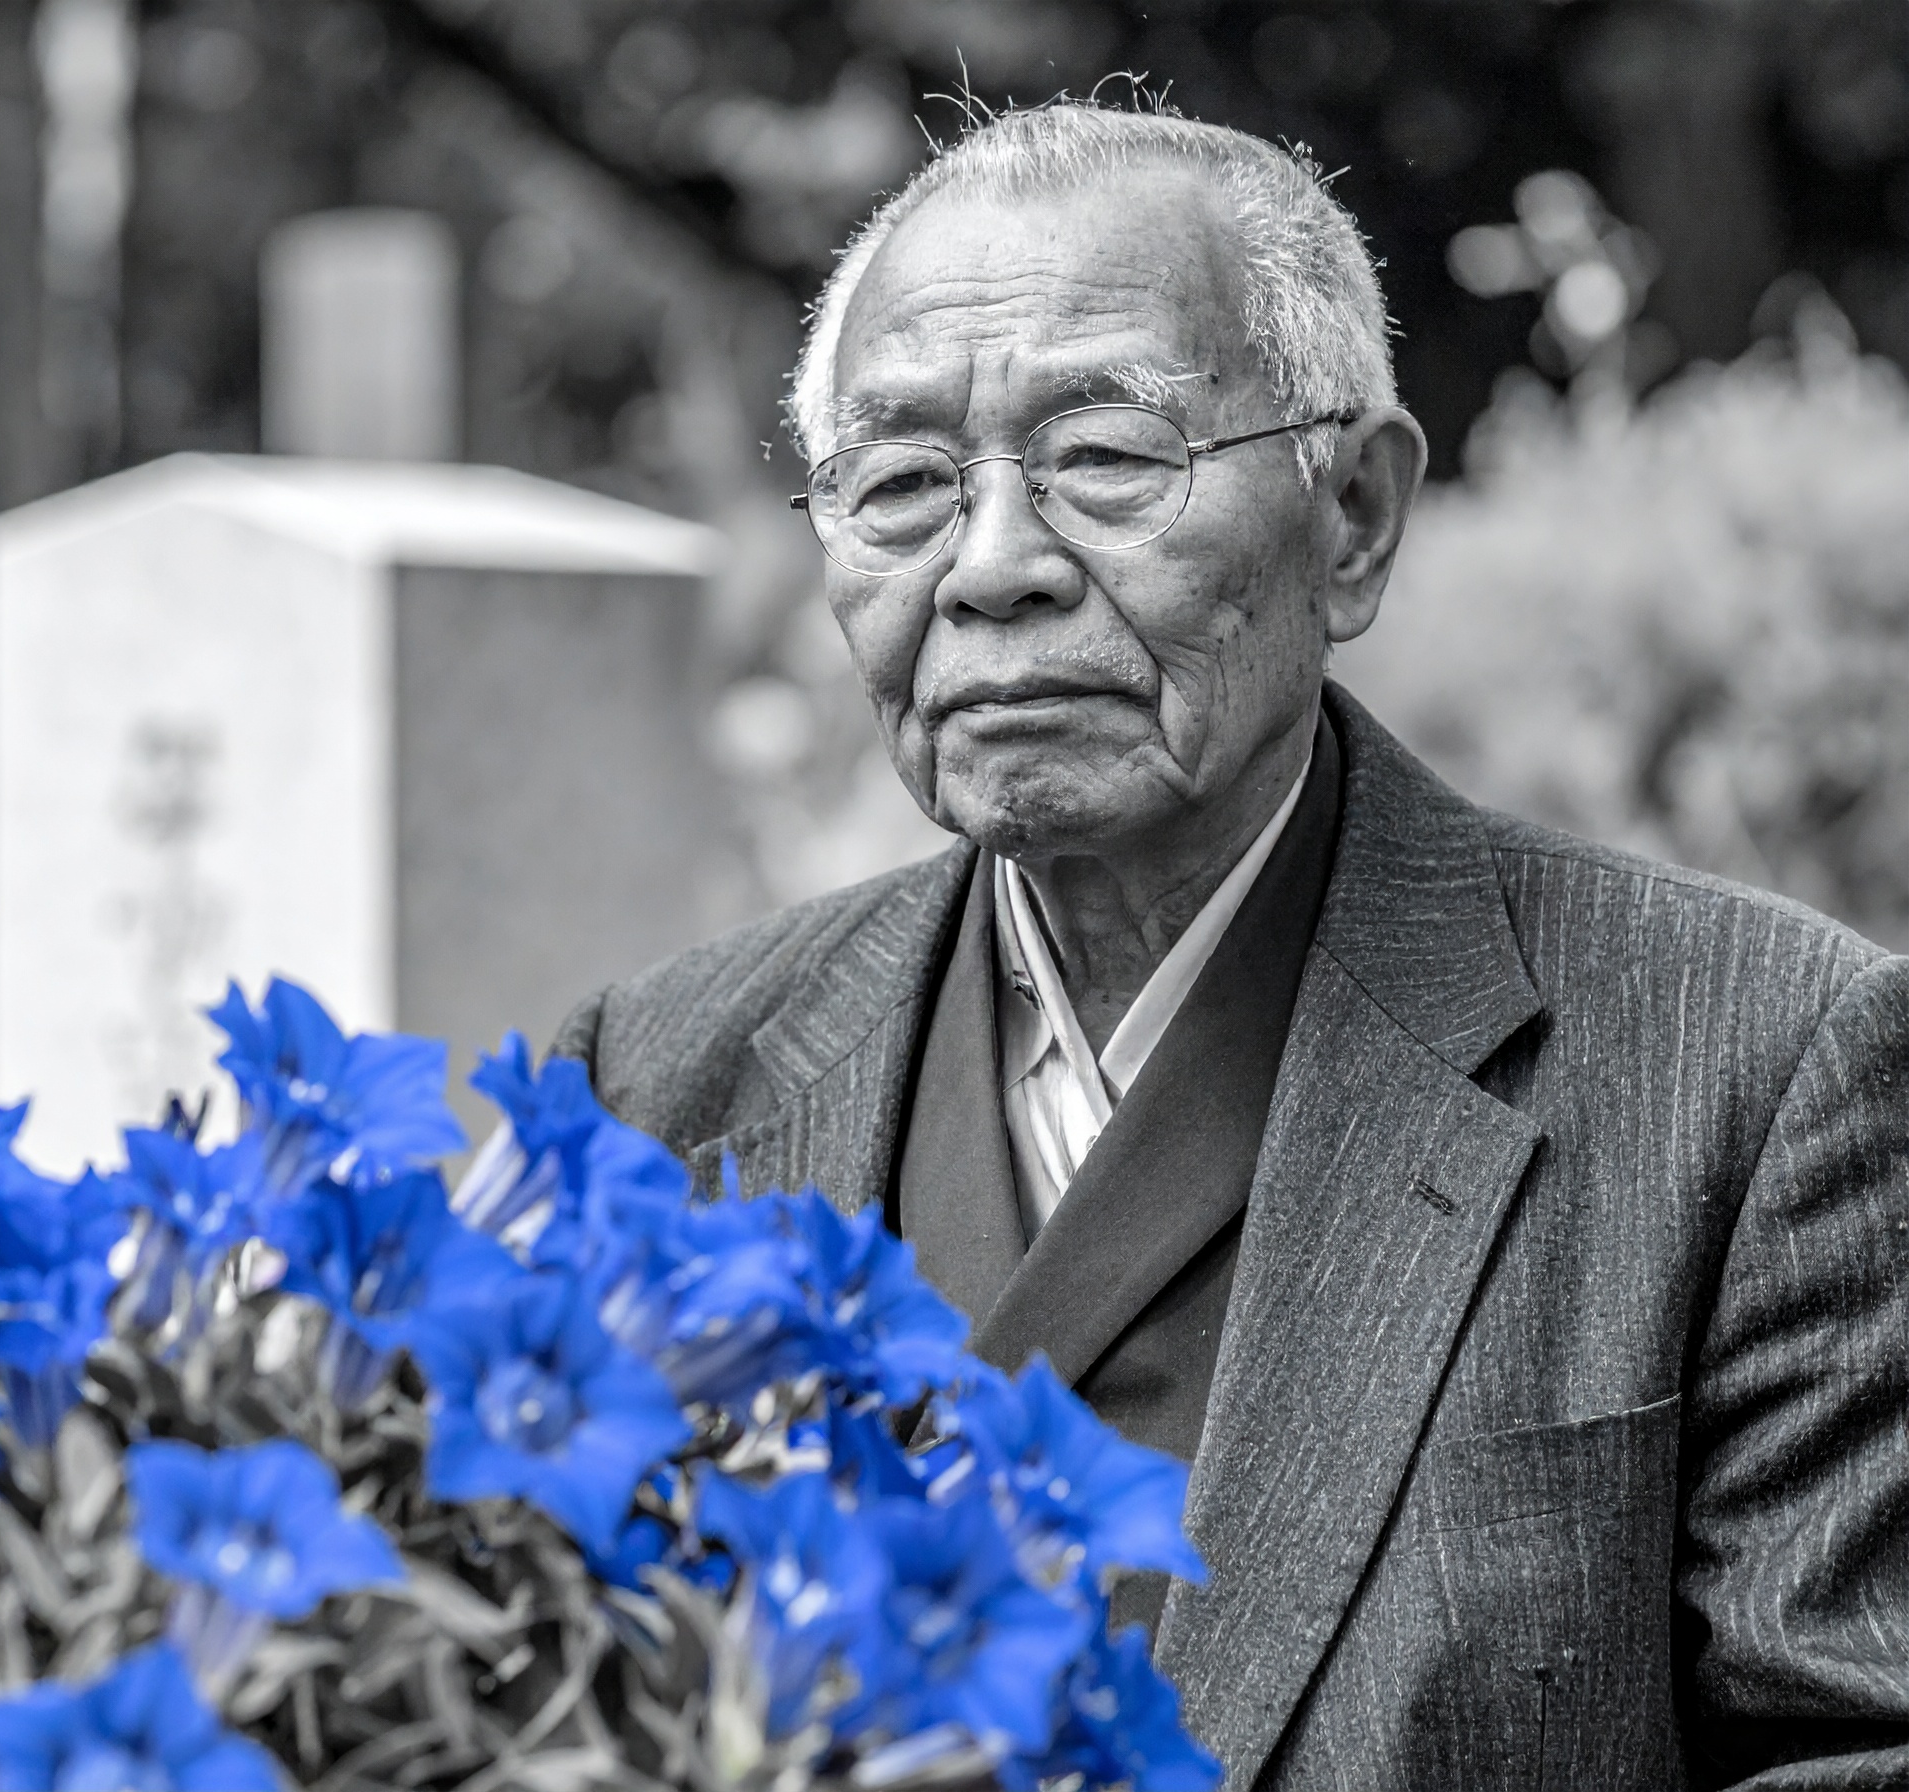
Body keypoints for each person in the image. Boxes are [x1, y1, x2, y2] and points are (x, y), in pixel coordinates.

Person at [552, 102, 1909, 1788]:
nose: (991, 569)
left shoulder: (1753, 1074)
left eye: (1108, 458)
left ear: (1354, 517)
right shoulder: (655, 1086)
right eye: (899, 485)